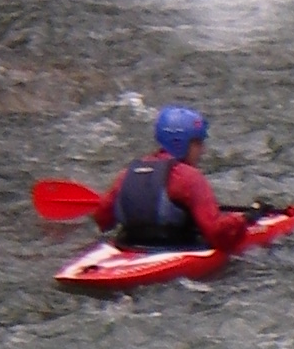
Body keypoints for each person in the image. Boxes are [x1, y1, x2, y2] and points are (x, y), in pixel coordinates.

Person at [93, 105, 250, 253]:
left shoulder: (126, 174)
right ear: (180, 143)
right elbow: (217, 234)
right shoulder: (190, 178)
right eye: (197, 143)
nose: (202, 150)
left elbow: (101, 219)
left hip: (129, 247)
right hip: (175, 249)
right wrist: (244, 219)